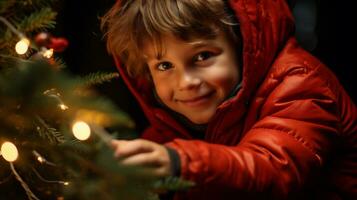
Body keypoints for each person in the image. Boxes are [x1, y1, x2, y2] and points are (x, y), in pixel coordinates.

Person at [101, 0, 357, 199]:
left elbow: (274, 170)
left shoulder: (300, 84)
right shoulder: (174, 125)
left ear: (243, 44)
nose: (185, 82)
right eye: (165, 65)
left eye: (202, 56)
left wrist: (180, 162)